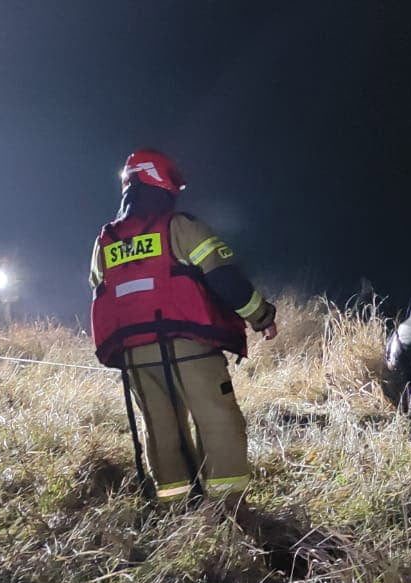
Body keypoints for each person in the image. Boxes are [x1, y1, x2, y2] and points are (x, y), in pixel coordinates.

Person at [89, 149, 277, 506]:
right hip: (189, 342)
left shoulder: (105, 242)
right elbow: (225, 279)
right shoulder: (181, 227)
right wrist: (262, 316)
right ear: (162, 182)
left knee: (160, 428)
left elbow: (101, 292)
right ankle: (228, 507)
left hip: (135, 353)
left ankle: (175, 507)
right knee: (217, 418)